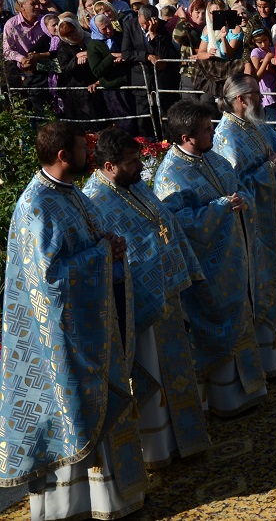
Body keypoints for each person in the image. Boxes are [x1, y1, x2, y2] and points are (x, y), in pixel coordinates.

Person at [1, 122, 147, 520]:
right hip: (61, 340)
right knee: (73, 415)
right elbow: (49, 280)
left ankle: (114, 499)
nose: (90, 154)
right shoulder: (35, 205)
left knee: (97, 408)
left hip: (91, 324)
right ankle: (71, 509)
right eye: (84, 148)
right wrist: (102, 254)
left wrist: (109, 247)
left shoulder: (68, 193)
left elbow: (88, 243)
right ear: (64, 155)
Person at [83, 127, 211, 468]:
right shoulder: (94, 202)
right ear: (109, 166)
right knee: (151, 373)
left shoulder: (134, 184)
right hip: (138, 305)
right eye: (131, 162)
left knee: (176, 369)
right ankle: (158, 450)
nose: (140, 166)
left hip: (166, 293)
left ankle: (185, 439)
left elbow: (159, 225)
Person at [154, 100, 268, 417]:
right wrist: (220, 207)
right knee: (217, 325)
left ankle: (251, 388)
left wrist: (242, 199)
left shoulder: (213, 158)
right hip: (208, 268)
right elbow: (178, 225)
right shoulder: (170, 176)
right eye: (207, 129)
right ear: (187, 137)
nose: (214, 132)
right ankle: (225, 400)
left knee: (240, 316)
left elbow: (238, 187)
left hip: (234, 257)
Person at [213, 75, 276, 376]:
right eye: (256, 93)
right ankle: (270, 359)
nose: (262, 97)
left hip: (274, 215)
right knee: (265, 283)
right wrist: (271, 168)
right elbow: (235, 187)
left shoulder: (254, 125)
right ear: (241, 99)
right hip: (254, 227)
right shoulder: (226, 136)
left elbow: (275, 156)